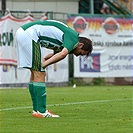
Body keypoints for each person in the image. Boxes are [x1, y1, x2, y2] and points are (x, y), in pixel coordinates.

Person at [16, 19, 93, 118]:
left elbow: (55, 55)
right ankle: (42, 112)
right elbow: (62, 54)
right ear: (80, 45)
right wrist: (43, 65)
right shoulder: (73, 38)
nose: (78, 56)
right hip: (29, 35)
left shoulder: (66, 40)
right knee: (40, 73)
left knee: (34, 73)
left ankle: (36, 110)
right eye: (81, 53)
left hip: (24, 32)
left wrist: (43, 60)